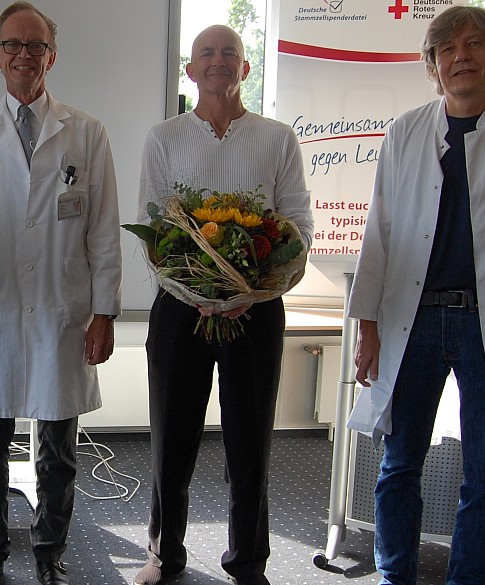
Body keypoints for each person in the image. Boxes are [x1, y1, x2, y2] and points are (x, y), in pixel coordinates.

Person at [347, 6, 485, 585]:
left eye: (474, 44)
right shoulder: (406, 131)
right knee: (399, 464)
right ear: (433, 65)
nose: (460, 56)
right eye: (446, 49)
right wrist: (366, 325)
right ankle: (395, 574)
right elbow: (382, 231)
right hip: (411, 318)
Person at [0, 2, 122, 584]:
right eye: (13, 45)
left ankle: (49, 551)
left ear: (51, 56)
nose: (24, 55)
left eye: (35, 45)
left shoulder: (85, 132)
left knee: (57, 450)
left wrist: (105, 313)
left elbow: (104, 230)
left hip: (63, 310)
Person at [132, 25, 313, 585]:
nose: (217, 61)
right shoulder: (163, 137)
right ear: (190, 71)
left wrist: (248, 293)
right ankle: (165, 557)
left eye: (229, 53)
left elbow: (298, 226)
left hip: (254, 312)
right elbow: (154, 231)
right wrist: (199, 292)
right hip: (180, 309)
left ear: (245, 69)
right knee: (172, 441)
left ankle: (249, 562)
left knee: (249, 440)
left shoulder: (278, 138)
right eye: (206, 54)